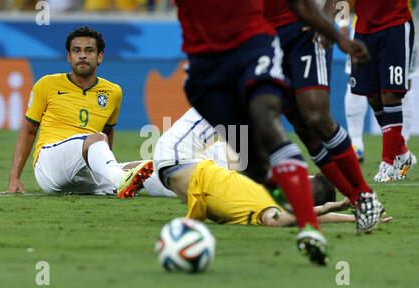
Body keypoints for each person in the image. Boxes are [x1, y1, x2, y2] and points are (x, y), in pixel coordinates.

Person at [173, 0, 372, 265]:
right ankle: (280, 192)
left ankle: (310, 228)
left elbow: (299, 4)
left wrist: (338, 37)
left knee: (267, 120)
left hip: (255, 47)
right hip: (205, 67)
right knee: (253, 162)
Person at [152, 108, 392, 265]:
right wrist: (347, 216)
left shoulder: (267, 205)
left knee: (231, 101)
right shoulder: (266, 200)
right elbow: (297, 216)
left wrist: (331, 206)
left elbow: (279, 219)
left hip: (177, 154)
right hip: (178, 168)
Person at [263, 0, 385, 235]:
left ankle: (364, 193)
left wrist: (328, 15)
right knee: (303, 128)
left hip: (305, 28)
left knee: (316, 116)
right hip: (264, 38)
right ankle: (358, 201)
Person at [0, 26, 153, 198]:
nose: (82, 55)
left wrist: (104, 166)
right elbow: (28, 130)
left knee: (152, 169)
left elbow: (108, 130)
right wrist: (14, 177)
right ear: (68, 56)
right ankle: (119, 180)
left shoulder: (113, 92)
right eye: (76, 50)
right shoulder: (47, 84)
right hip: (50, 164)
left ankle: (182, 185)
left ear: (99, 56)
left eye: (89, 51)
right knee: (97, 138)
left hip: (84, 170)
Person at [339, 0, 417, 182]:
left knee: (391, 94)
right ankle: (404, 154)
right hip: (363, 31)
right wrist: (342, 25)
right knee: (372, 97)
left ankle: (388, 163)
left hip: (396, 26)